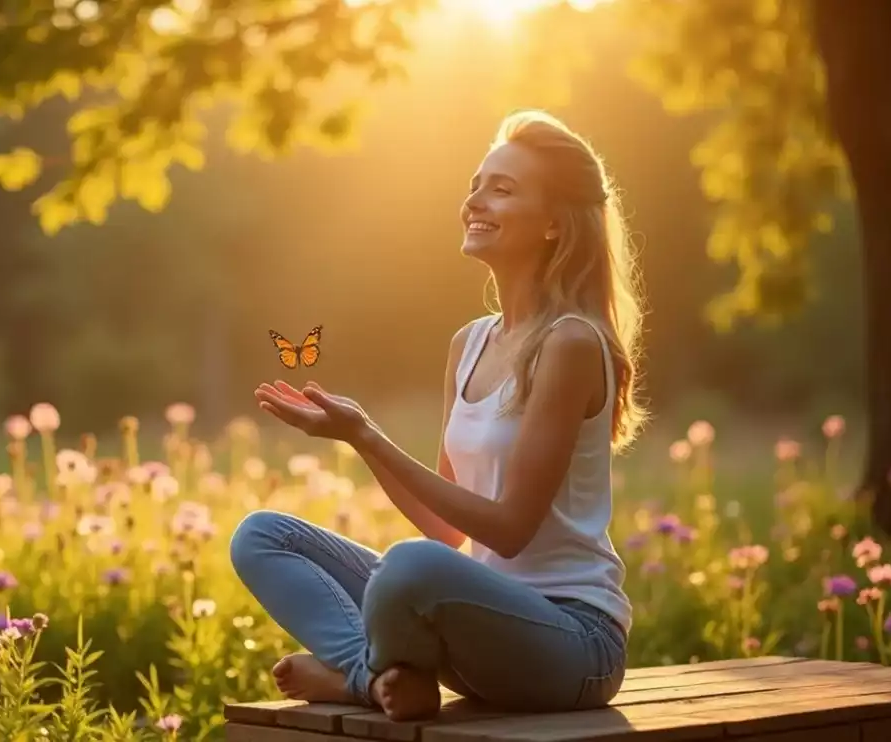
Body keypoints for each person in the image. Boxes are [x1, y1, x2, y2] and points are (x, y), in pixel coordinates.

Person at [230, 109, 646, 722]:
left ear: (555, 223)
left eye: (501, 189)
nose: (475, 200)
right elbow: (447, 528)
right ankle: (376, 682)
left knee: (410, 568)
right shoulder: (470, 343)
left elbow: (507, 530)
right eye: (476, 184)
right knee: (262, 535)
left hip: (573, 643)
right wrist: (360, 441)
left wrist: (369, 432)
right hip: (472, 624)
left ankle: (355, 674)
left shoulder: (571, 343)